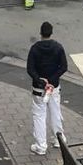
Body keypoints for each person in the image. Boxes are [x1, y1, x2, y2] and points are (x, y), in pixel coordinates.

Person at [27, 21, 67, 156]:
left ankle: (40, 146)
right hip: (54, 88)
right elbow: (64, 67)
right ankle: (59, 139)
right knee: (55, 112)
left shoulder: (35, 49)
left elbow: (30, 69)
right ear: (51, 33)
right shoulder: (58, 47)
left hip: (39, 89)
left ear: (40, 33)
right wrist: (52, 80)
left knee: (39, 115)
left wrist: (41, 80)